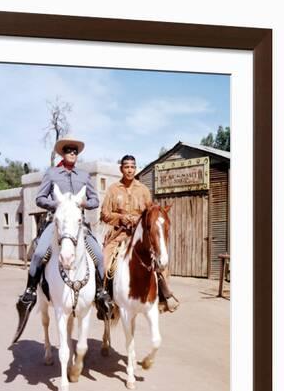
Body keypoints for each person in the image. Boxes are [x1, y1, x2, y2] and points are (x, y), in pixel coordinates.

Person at [13, 136, 113, 343]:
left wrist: (83, 203)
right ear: (62, 153)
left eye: (75, 151)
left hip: (78, 225)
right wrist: (57, 206)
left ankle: (101, 293)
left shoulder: (84, 176)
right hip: (56, 223)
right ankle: (30, 290)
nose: (72, 154)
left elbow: (95, 200)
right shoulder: (52, 173)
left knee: (98, 254)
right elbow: (39, 198)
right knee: (40, 252)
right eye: (68, 151)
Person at [100, 154, 179, 313]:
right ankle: (104, 296)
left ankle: (164, 295)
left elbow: (151, 214)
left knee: (159, 260)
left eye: (132, 167)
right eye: (126, 167)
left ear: (135, 169)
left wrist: (137, 219)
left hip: (140, 237)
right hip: (119, 235)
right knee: (104, 261)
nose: (129, 170)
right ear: (121, 169)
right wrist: (121, 218)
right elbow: (104, 214)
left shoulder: (143, 190)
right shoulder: (113, 190)